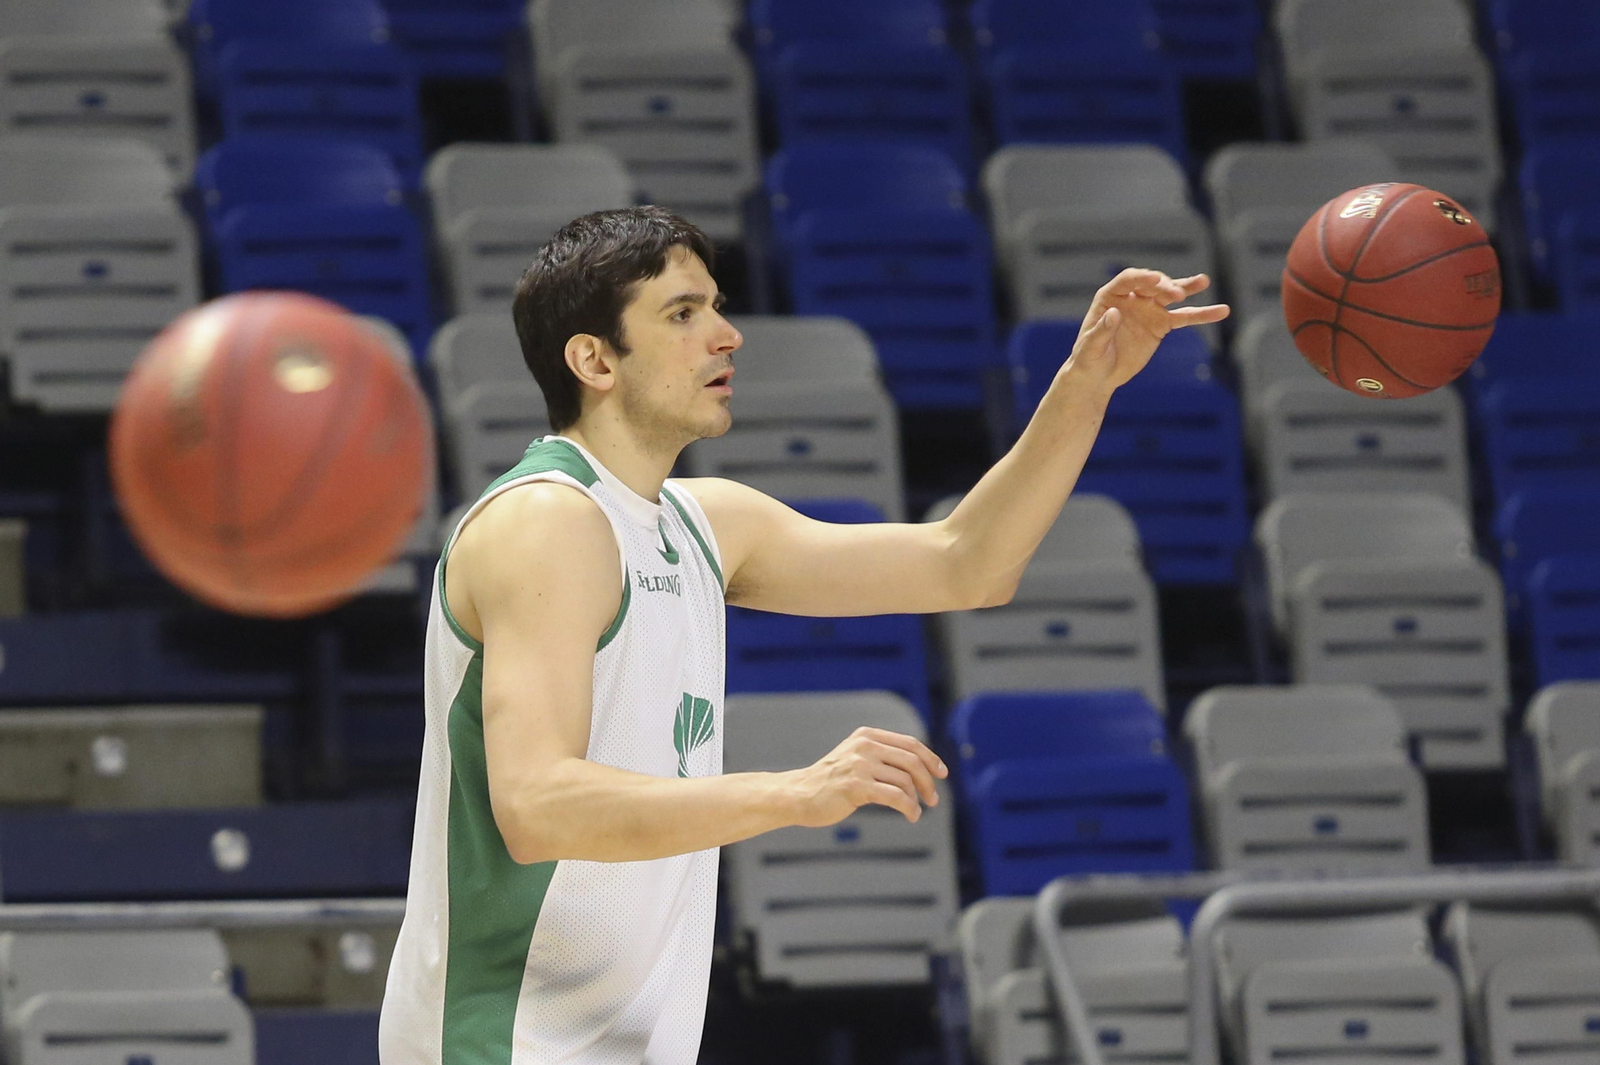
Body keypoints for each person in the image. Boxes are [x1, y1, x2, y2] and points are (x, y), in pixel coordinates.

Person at [379, 205, 1228, 1064]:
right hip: (499, 1043)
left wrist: (1087, 381)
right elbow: (537, 806)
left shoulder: (701, 523)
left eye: (715, 305)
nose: (726, 335)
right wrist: (794, 792)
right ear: (594, 358)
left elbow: (966, 564)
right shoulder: (546, 521)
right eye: (683, 314)